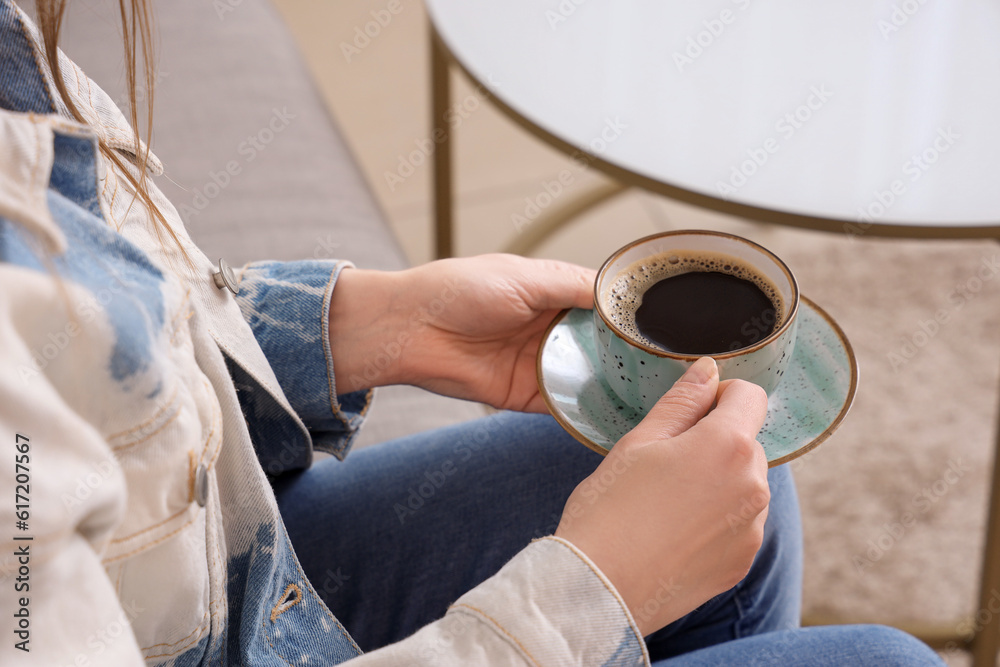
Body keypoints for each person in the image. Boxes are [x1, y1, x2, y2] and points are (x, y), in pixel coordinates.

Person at [0, 1, 944, 664]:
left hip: (198, 577)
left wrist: (364, 325)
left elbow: (103, 336)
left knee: (744, 481)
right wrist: (590, 592)